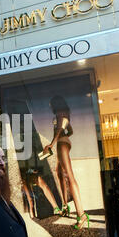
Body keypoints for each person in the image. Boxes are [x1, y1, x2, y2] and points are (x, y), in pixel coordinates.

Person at [43, 95, 89, 229]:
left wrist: (52, 144)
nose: (50, 106)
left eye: (51, 104)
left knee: (69, 176)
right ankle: (65, 204)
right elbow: (71, 131)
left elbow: (59, 130)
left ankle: (81, 214)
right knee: (59, 172)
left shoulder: (60, 113)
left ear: (55, 103)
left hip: (61, 143)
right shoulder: (64, 113)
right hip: (63, 142)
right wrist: (62, 139)